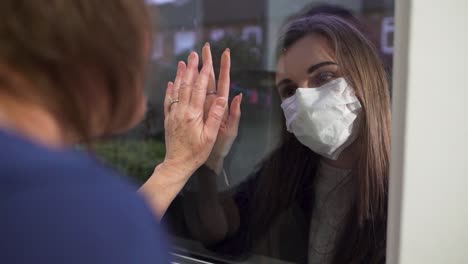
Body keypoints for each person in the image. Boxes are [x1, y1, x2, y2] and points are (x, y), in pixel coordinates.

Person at [0, 1, 239, 263]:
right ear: (90, 60)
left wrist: (181, 164)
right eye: (141, 59)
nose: (149, 79)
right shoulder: (71, 207)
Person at [182, 14, 391, 264]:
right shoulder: (288, 169)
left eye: (324, 77)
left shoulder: (404, 187)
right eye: (290, 90)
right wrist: (210, 158)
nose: (303, 98)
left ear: (366, 77)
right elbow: (223, 237)